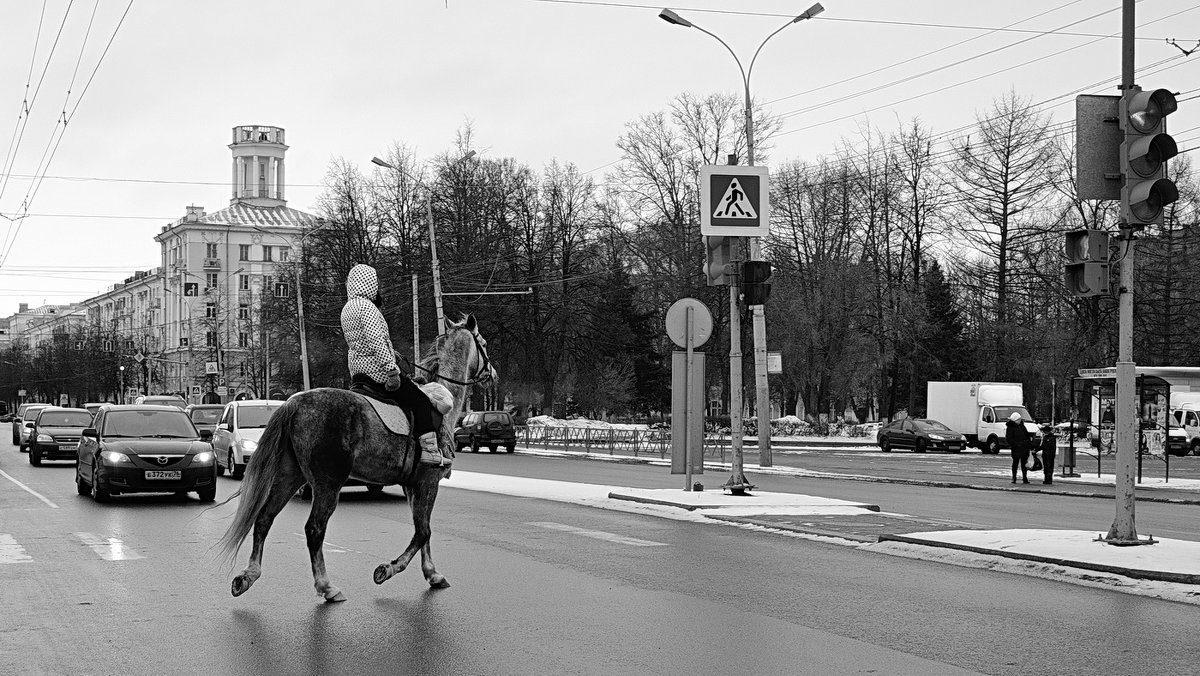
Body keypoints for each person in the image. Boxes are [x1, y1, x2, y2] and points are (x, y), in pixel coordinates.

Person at [341, 264, 450, 466]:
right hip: (378, 373)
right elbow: (375, 341)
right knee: (421, 401)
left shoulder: (348, 308)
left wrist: (393, 354)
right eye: (376, 284)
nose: (378, 288)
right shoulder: (367, 308)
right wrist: (391, 370)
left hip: (358, 373)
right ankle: (429, 450)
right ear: (369, 283)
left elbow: (361, 342)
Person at [1005, 411, 1031, 484]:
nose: (1020, 420)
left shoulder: (1022, 426)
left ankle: (1025, 478)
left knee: (1024, 464)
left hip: (1024, 448)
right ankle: (1014, 478)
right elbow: (1009, 439)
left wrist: (1028, 443)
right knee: (1015, 463)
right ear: (1015, 420)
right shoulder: (1010, 428)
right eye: (1018, 419)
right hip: (1016, 448)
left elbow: (1026, 436)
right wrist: (1016, 444)